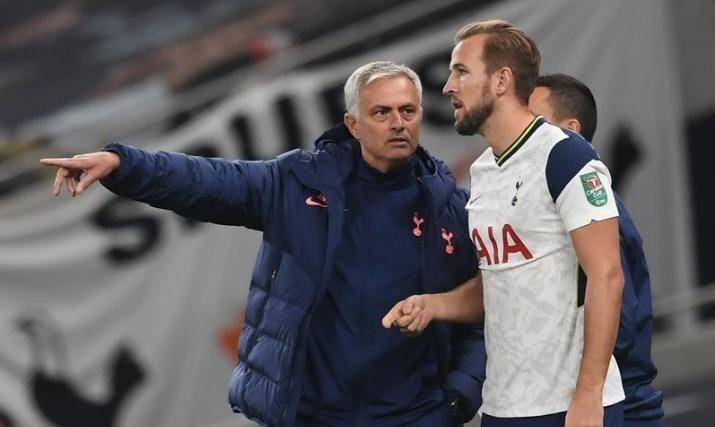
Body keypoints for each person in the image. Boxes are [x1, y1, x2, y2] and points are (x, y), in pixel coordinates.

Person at [40, 61, 486, 427]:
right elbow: (206, 180)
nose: (398, 123)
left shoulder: (452, 210)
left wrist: (455, 402)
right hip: (314, 416)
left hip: (414, 416)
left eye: (408, 111)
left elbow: (482, 310)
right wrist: (122, 164)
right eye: (381, 113)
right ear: (353, 124)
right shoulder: (297, 183)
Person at [384, 21, 626, 427]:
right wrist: (434, 304)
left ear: (501, 81)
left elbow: (608, 276)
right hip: (501, 408)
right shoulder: (482, 171)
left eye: (461, 72)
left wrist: (588, 396)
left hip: (569, 407)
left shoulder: (565, 157)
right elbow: (500, 279)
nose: (448, 87)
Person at [529, 73, 665, 427]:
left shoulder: (596, 214)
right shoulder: (554, 209)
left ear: (570, 130)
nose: (524, 132)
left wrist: (585, 387)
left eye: (534, 121)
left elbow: (619, 318)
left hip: (618, 403)